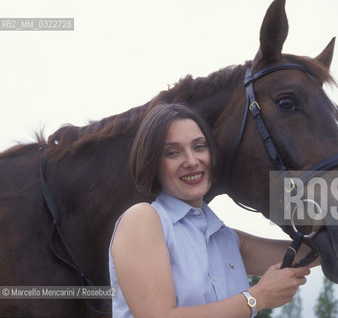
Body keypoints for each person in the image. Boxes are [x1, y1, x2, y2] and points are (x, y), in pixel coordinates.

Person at [109, 104, 317, 318]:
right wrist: (258, 297)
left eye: (199, 147)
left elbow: (316, 250)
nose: (191, 161)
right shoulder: (142, 219)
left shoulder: (225, 238)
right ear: (152, 163)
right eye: (172, 152)